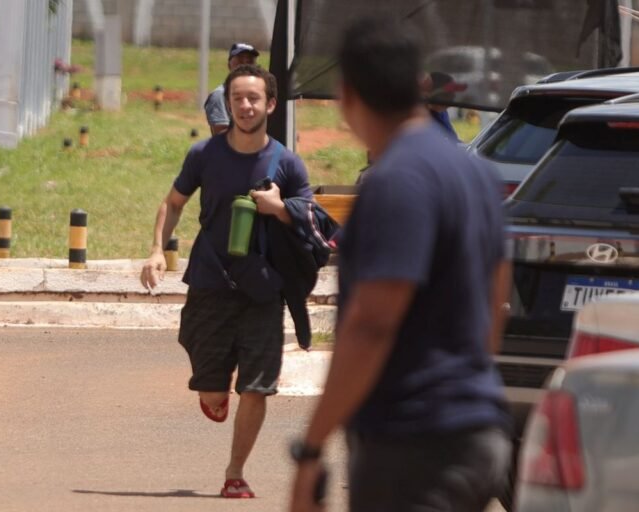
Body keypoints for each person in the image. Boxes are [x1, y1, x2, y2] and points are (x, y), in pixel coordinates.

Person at [289, 17, 513, 512]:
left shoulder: (396, 180)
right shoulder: (476, 174)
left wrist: (311, 448)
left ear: (346, 94)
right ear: (421, 84)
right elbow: (496, 300)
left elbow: (372, 323)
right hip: (478, 431)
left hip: (414, 442)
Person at [141, 64, 313, 499]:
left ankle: (235, 473)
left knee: (256, 387)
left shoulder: (287, 163)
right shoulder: (205, 154)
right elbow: (173, 203)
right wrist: (157, 250)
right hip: (210, 283)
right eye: (237, 98)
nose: (245, 106)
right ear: (229, 104)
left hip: (263, 289)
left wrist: (279, 208)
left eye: (254, 98)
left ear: (270, 104)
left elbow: (311, 222)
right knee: (213, 389)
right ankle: (214, 393)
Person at [204, 42, 259, 135]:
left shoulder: (261, 94)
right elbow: (221, 138)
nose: (245, 66)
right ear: (229, 65)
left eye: (249, 61)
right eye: (240, 61)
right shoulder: (219, 95)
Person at [423, 71, 465, 142]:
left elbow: (452, 139)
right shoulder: (422, 120)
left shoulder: (442, 112)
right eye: (448, 94)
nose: (453, 97)